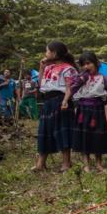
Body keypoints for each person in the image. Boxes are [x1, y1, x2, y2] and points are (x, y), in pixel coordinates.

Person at [35, 41, 77, 172]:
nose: (45, 54)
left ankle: (66, 162)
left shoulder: (68, 69)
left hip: (61, 100)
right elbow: (41, 85)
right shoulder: (48, 68)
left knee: (62, 130)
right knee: (45, 130)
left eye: (47, 51)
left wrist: (65, 101)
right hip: (48, 101)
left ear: (54, 53)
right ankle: (41, 163)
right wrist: (41, 68)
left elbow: (70, 88)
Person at [71, 51, 107, 173]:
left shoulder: (104, 79)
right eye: (83, 64)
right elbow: (73, 89)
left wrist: (99, 103)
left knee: (97, 136)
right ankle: (86, 164)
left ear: (96, 63)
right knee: (85, 135)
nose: (86, 67)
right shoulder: (80, 78)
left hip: (97, 110)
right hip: (83, 109)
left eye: (88, 63)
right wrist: (80, 80)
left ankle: (99, 163)